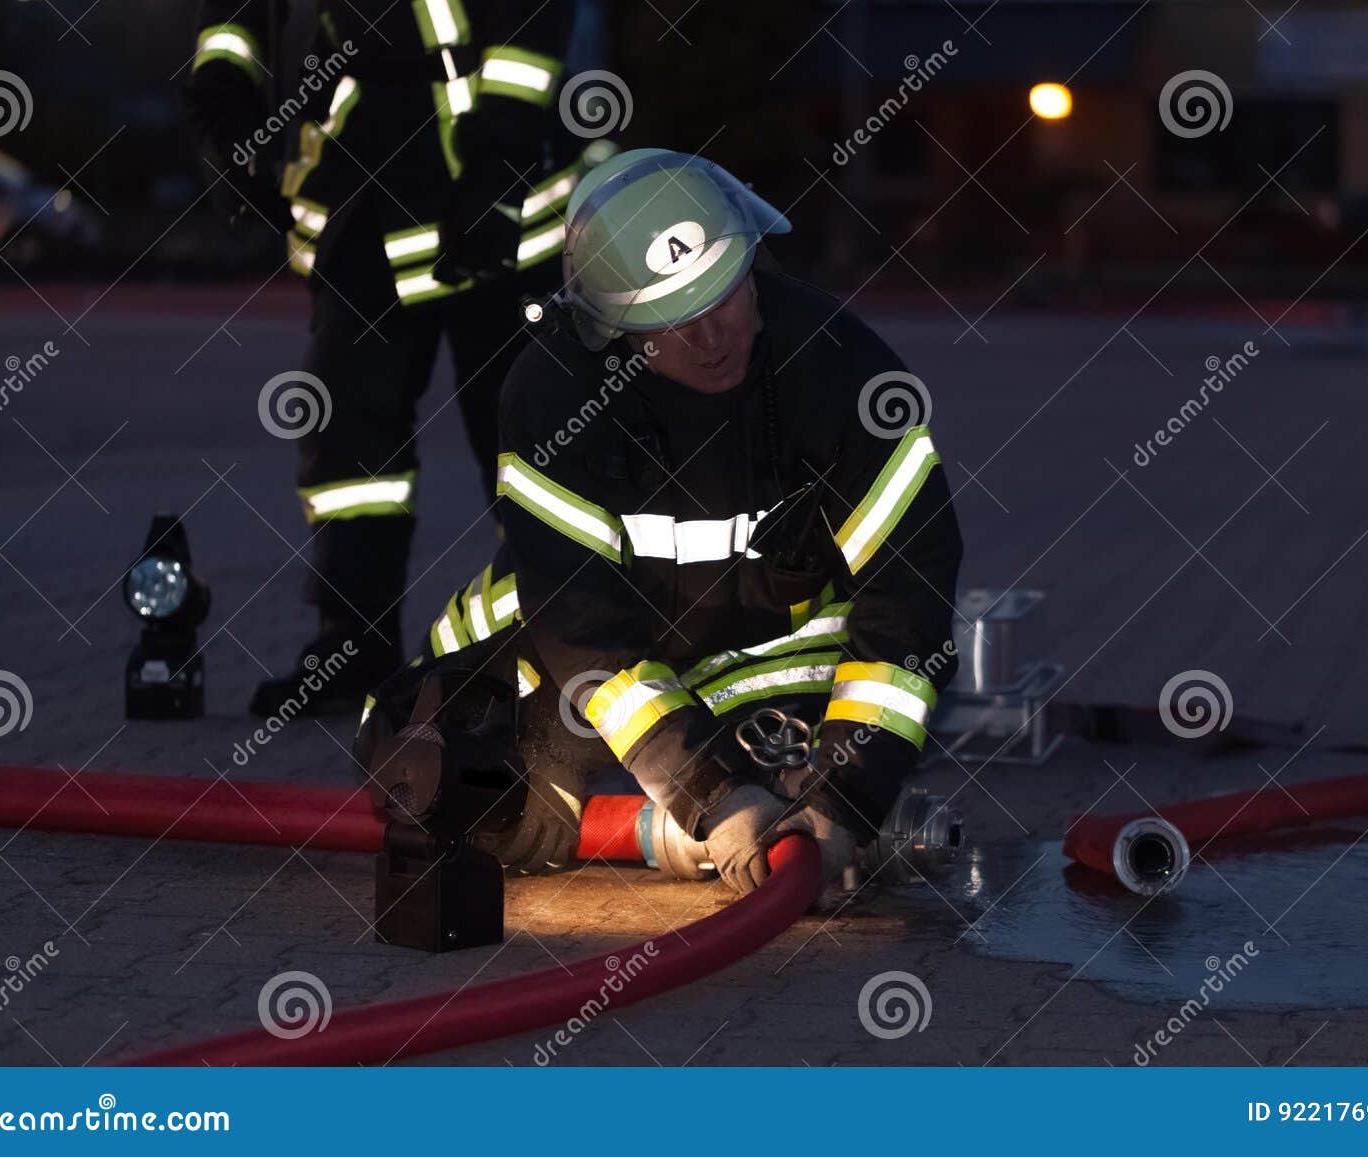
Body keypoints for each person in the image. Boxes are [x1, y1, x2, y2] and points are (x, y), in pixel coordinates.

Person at [359, 148, 962, 892]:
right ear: (610, 330)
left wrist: (849, 793)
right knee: (459, 786)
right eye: (671, 323)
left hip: (775, 658)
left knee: (843, 759)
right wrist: (711, 793)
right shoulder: (552, 399)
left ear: (752, 267)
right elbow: (581, 624)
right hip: (582, 658)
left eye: (724, 298)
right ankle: (622, 803)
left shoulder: (843, 370)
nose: (711, 338)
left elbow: (909, 587)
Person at [183, 0, 613, 715]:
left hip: (498, 208)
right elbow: (236, 19)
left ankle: (565, 645)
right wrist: (226, 116)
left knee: (528, 432)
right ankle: (352, 648)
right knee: (348, 447)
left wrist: (501, 157)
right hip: (364, 198)